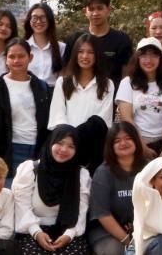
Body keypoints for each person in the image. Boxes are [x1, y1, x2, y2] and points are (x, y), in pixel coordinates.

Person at [11, 125, 94, 255]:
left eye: (71, 146)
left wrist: (68, 235)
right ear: (50, 143)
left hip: (66, 230)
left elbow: (81, 211)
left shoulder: (81, 175)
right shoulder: (30, 170)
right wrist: (37, 233)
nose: (64, 150)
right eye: (60, 143)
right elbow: (22, 207)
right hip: (33, 230)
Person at [87, 120, 152, 255]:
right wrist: (128, 241)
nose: (123, 143)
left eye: (128, 138)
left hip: (142, 229)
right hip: (108, 231)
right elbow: (103, 214)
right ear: (110, 146)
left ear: (136, 141)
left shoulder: (149, 168)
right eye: (117, 140)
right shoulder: (103, 172)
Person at [0, 38, 50, 179]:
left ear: (30, 57)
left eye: (21, 56)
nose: (16, 60)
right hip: (9, 151)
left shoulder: (42, 87)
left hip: (37, 150)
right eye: (12, 56)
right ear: (6, 59)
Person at [50, 33, 117, 173]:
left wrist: (78, 137)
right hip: (65, 148)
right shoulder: (63, 82)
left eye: (90, 52)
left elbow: (102, 121)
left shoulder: (107, 85)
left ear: (97, 55)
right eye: (80, 51)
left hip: (93, 149)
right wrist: (70, 140)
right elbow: (58, 115)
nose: (85, 56)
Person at [116, 38, 162, 150]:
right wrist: (142, 146)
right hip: (135, 142)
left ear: (160, 58)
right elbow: (126, 117)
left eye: (154, 55)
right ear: (137, 58)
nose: (149, 60)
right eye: (144, 55)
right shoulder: (127, 83)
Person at [81, 0, 133, 80]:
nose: (95, 13)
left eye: (100, 8)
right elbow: (68, 71)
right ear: (85, 11)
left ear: (109, 10)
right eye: (91, 9)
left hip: (115, 89)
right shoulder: (76, 39)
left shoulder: (122, 40)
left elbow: (126, 75)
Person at [24, 3, 65, 82]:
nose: (38, 21)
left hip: (53, 89)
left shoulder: (61, 48)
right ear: (29, 20)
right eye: (34, 18)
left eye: (43, 18)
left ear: (49, 20)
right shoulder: (23, 47)